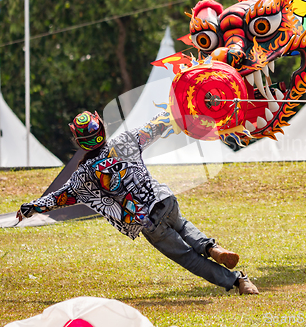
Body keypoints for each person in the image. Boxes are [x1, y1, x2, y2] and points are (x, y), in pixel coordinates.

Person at [17, 110, 259, 295]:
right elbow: (157, 125)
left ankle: (238, 281)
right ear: (101, 128)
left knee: (187, 257)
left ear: (79, 141)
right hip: (164, 199)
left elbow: (59, 197)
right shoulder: (125, 141)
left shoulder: (83, 175)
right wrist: (182, 107)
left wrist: (29, 208)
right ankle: (211, 248)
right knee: (183, 225)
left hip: (145, 220)